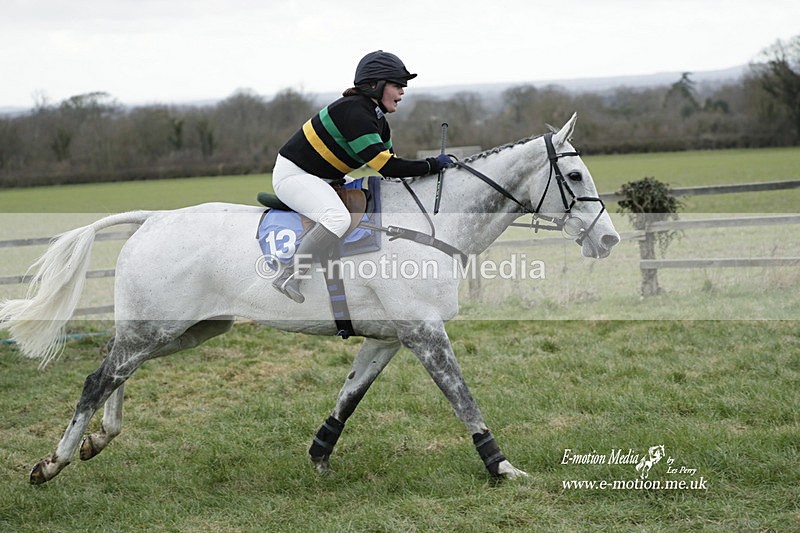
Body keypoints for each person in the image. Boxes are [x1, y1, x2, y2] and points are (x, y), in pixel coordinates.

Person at [271, 50, 452, 303]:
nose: (403, 91)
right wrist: (432, 165)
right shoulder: (355, 113)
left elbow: (393, 168)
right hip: (295, 175)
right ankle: (290, 274)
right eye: (397, 85)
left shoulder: (379, 121)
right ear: (375, 86)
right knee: (336, 218)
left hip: (325, 177)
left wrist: (430, 175)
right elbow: (386, 166)